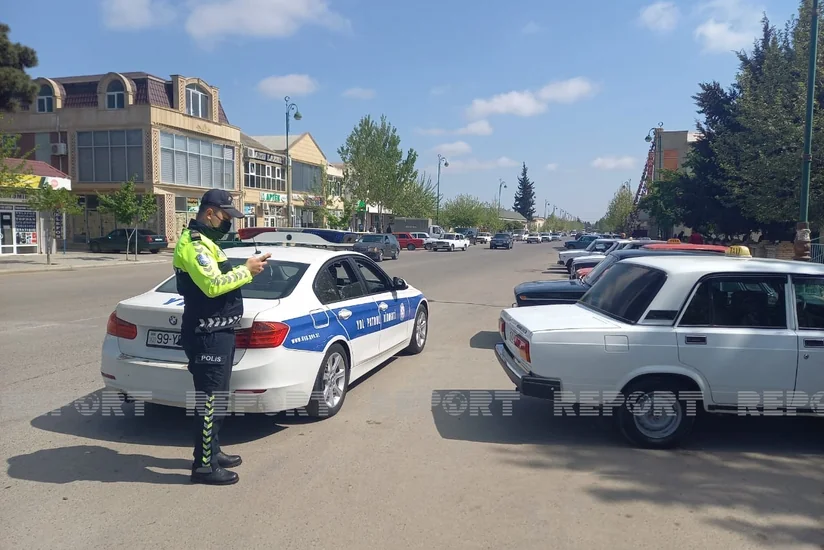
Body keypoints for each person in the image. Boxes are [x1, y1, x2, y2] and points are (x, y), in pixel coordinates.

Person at [173, 189, 271, 486]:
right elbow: (213, 286)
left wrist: (246, 269)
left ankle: (212, 452)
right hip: (206, 334)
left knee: (218, 399)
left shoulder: (208, 243)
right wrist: (247, 270)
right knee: (209, 402)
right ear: (210, 212)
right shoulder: (194, 245)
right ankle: (204, 467)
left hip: (220, 331)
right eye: (226, 216)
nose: (228, 222)